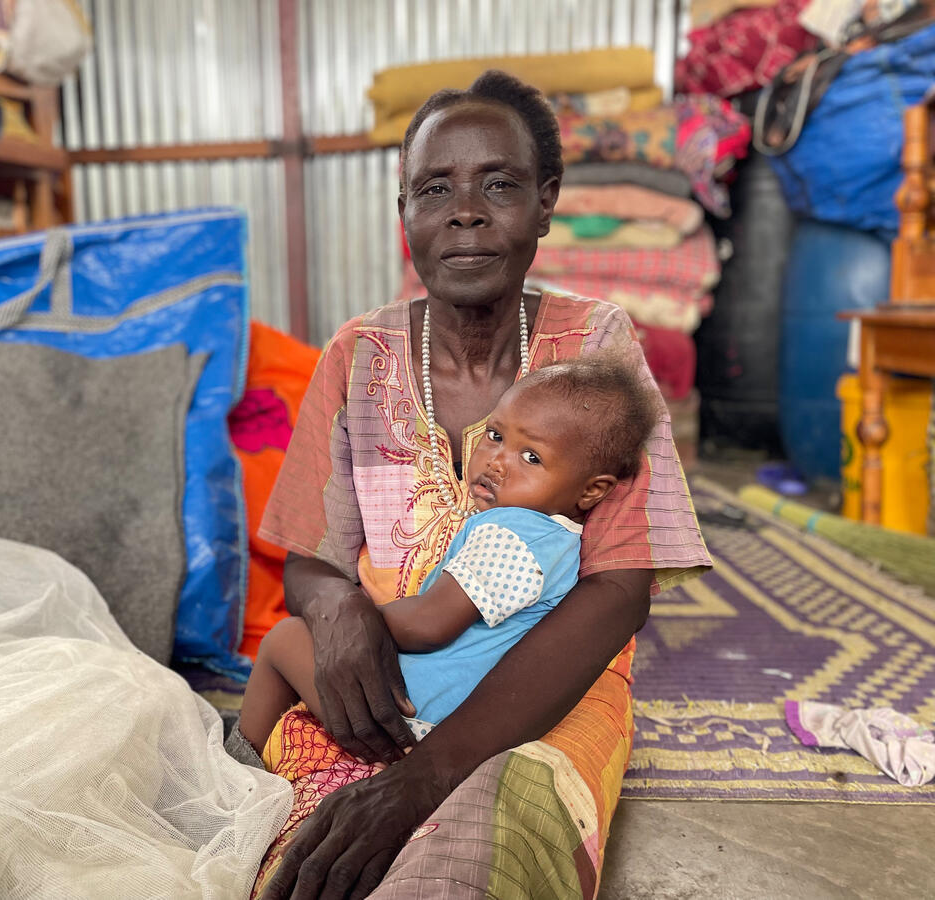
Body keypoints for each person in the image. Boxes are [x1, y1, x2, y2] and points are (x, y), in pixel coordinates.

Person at [241, 69, 712, 900]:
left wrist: (426, 776)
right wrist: (344, 612)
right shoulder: (356, 354)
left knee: (487, 836)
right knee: (301, 847)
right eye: (435, 189)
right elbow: (311, 561)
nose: (466, 211)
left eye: (499, 184)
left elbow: (620, 589)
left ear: (545, 203)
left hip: (548, 687)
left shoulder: (596, 346)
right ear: (406, 217)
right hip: (386, 677)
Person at [239, 357, 660, 753]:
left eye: (530, 457)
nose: (496, 462)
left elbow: (428, 625)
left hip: (416, 712)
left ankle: (238, 769)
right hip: (453, 716)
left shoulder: (514, 534)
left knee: (284, 640)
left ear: (591, 491)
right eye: (495, 437)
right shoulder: (559, 544)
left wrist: (355, 623)